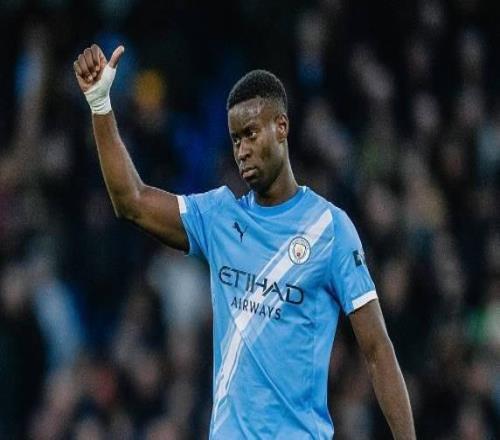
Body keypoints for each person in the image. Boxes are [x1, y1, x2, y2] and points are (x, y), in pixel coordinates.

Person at [73, 44, 416, 439]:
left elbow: (377, 350)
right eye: (235, 140)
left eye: (251, 134)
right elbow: (131, 201)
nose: (242, 150)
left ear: (281, 127)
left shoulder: (330, 229)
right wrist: (100, 105)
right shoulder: (219, 217)